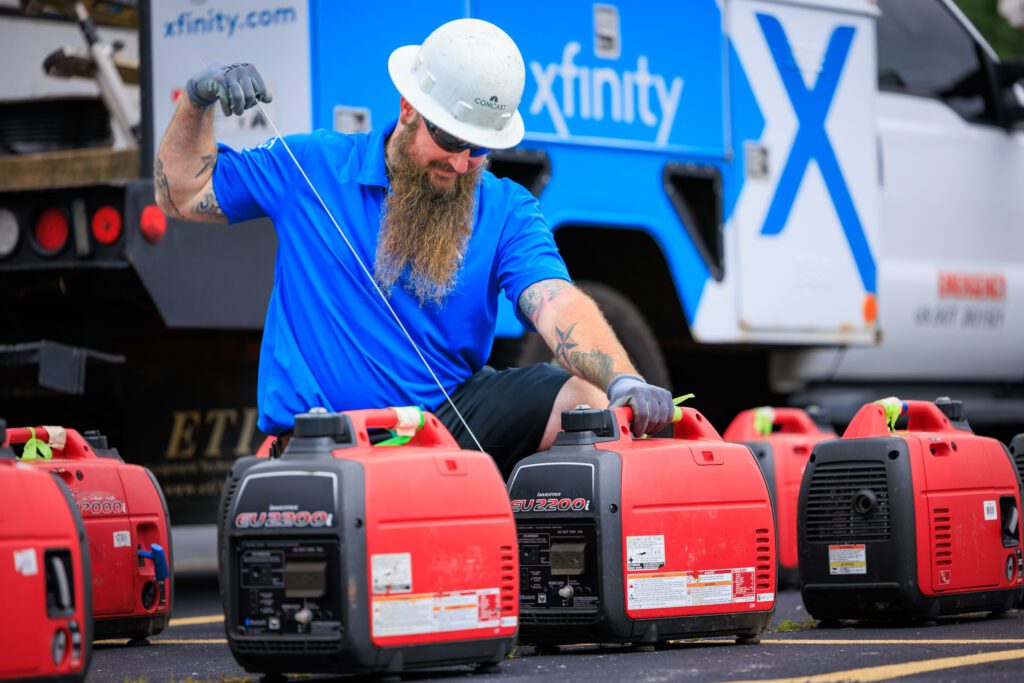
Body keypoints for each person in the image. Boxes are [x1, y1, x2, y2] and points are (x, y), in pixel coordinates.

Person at [154, 18, 673, 475]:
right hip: (323, 439)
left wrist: (622, 378)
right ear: (408, 109)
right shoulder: (313, 167)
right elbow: (182, 193)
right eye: (448, 139)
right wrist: (197, 106)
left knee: (584, 402)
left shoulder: (506, 207)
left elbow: (554, 299)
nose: (460, 163)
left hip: (445, 421)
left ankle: (516, 542)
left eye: (479, 148)